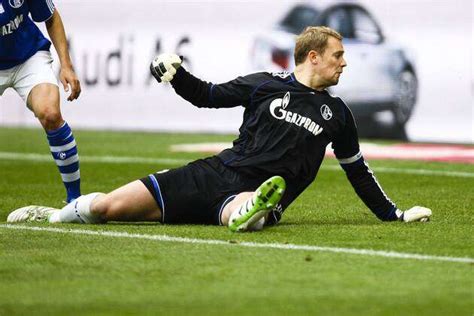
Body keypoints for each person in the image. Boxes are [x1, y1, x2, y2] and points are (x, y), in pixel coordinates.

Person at [7, 26, 432, 231]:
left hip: (248, 189)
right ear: (313, 56)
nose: (344, 62)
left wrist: (394, 213)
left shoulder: (338, 115)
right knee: (104, 210)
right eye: (338, 55)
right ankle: (52, 215)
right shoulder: (264, 84)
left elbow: (358, 170)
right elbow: (207, 94)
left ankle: (256, 209)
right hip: (212, 172)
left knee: (244, 209)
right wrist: (176, 75)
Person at [0, 0, 81, 202]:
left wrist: (67, 66)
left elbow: (50, 16)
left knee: (50, 114)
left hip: (28, 57)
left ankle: (74, 199)